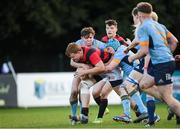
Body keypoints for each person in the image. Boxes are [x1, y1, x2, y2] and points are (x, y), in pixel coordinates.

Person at [128, 2, 180, 126]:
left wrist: (132, 57)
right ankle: (171, 105)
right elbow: (174, 41)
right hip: (162, 63)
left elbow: (144, 51)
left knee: (168, 98)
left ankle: (173, 107)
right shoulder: (159, 25)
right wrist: (168, 55)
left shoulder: (143, 27)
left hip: (162, 64)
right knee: (144, 84)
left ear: (139, 14)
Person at [124, 8, 161, 126]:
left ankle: (145, 111)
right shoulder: (154, 30)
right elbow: (136, 41)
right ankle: (153, 117)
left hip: (147, 62)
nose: (135, 19)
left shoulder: (145, 29)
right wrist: (129, 47)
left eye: (136, 16)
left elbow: (147, 52)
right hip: (157, 62)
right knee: (150, 91)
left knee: (128, 84)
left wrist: (135, 58)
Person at [66, 43, 114, 124]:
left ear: (79, 52)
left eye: (73, 57)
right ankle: (84, 115)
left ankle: (137, 112)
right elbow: (72, 62)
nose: (73, 59)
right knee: (83, 85)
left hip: (110, 72)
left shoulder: (91, 53)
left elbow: (101, 68)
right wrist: (84, 67)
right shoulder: (79, 52)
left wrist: (85, 72)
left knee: (97, 92)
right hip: (100, 72)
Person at [104, 39, 149, 123]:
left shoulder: (119, 52)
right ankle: (128, 115)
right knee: (123, 88)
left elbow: (110, 68)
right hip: (138, 72)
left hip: (138, 72)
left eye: (109, 48)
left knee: (124, 88)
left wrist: (95, 69)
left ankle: (146, 113)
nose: (107, 51)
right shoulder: (121, 49)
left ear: (114, 47)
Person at [69, 27, 107, 125]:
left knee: (84, 85)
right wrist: (82, 65)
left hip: (96, 68)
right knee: (74, 91)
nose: (89, 40)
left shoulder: (98, 44)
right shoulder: (77, 45)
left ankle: (84, 114)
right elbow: (72, 62)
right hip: (82, 68)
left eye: (91, 37)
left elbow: (107, 53)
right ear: (82, 38)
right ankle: (74, 116)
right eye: (86, 38)